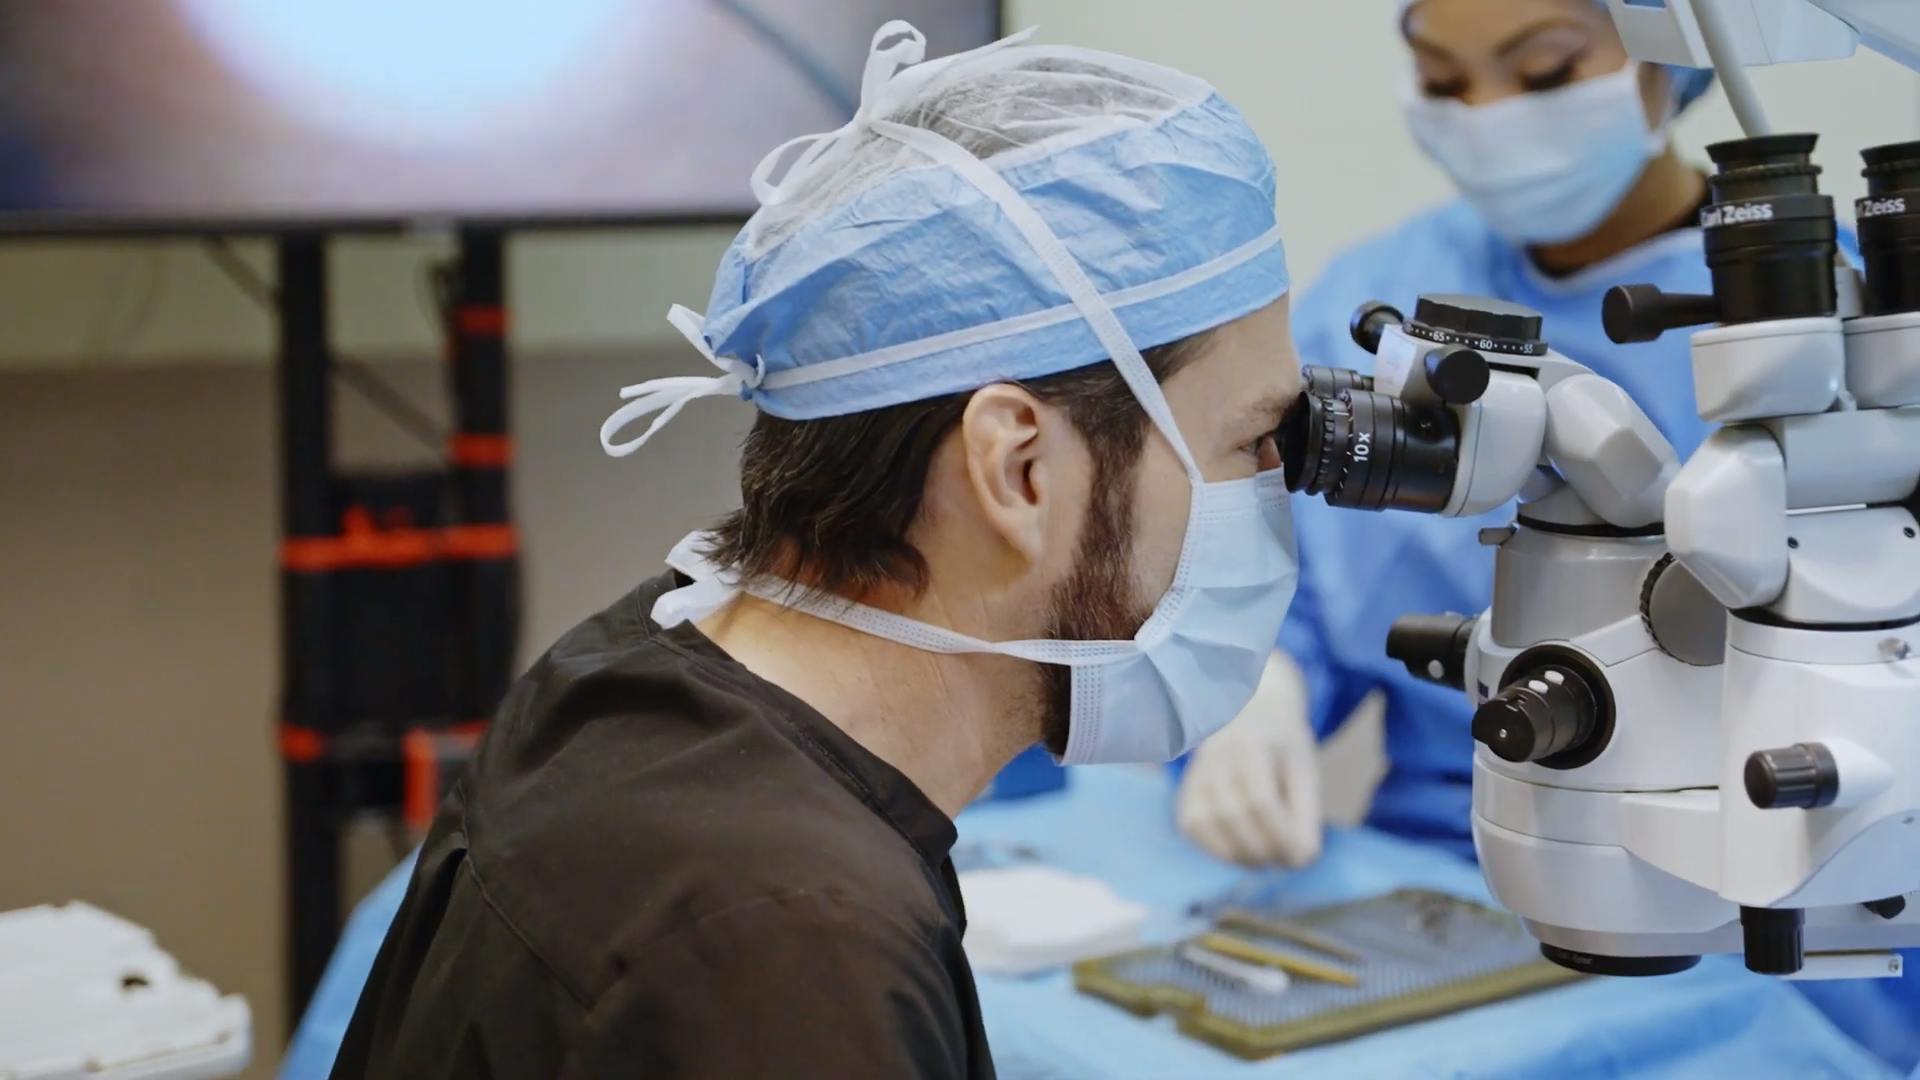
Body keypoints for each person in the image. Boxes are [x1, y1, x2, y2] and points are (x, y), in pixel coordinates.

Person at [329, 22, 1303, 1079]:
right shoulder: (794, 955)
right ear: (1019, 470)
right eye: (1250, 443)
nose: (1273, 491)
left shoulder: (628, 669)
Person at [1175, 0, 1918, 1071]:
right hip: (1454, 878)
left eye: (1546, 70)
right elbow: (1265, 575)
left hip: (1790, 906)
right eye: (1441, 79)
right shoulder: (1378, 296)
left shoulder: (1847, 336)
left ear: (1678, 60)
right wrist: (1258, 693)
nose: (1488, 115)